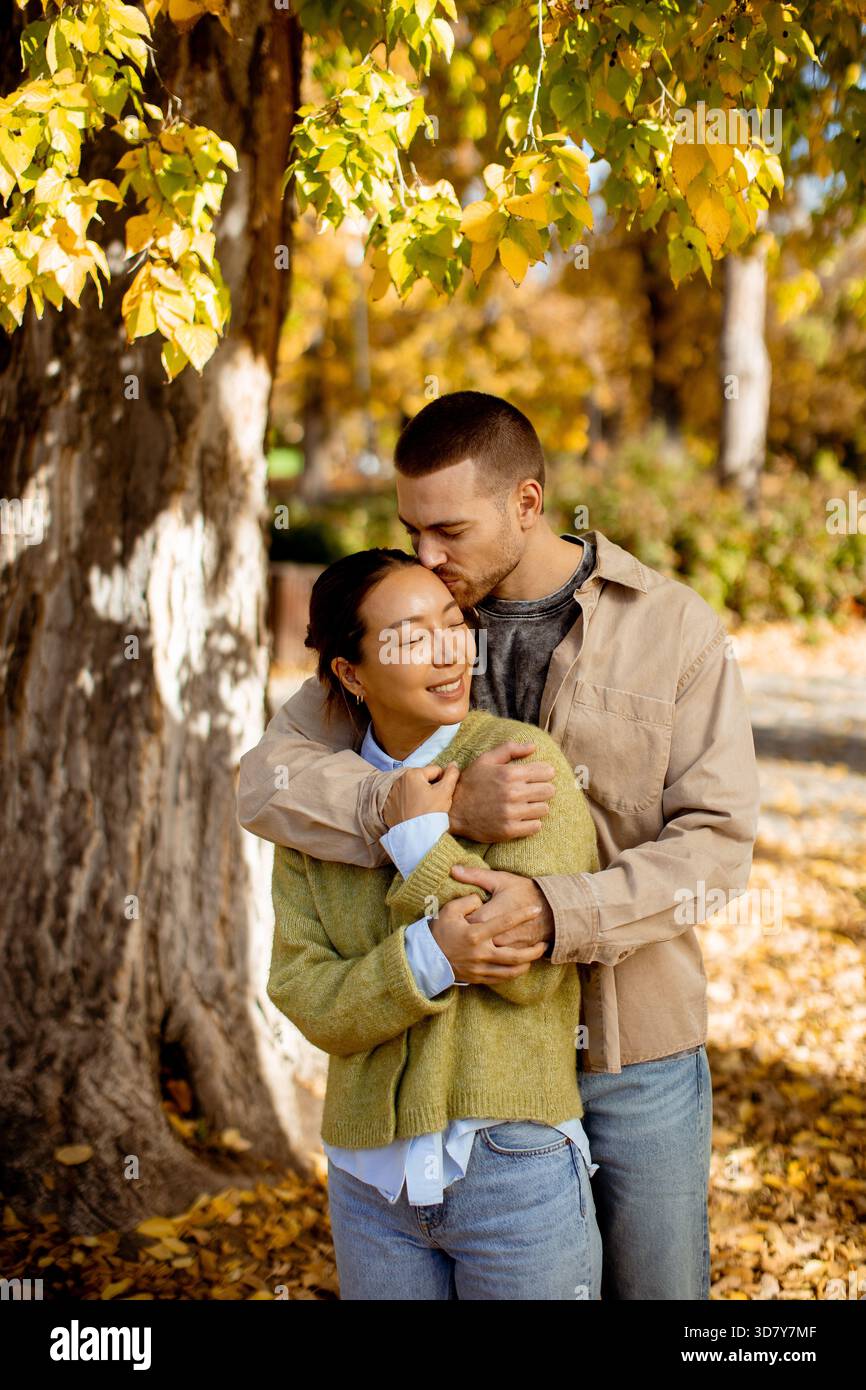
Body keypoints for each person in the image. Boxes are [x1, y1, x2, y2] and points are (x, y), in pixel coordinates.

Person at [240, 390, 761, 1300]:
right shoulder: (411, 622)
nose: (427, 558)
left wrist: (560, 914)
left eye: (447, 531)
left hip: (630, 1049)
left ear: (526, 503)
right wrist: (423, 809)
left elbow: (717, 848)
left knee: (662, 1295)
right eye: (410, 531)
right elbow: (265, 782)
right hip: (462, 1063)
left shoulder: (672, 628)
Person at [265, 548, 602, 1299]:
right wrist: (428, 955)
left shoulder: (523, 764)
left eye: (455, 625)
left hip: (516, 1164)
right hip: (368, 1183)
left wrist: (419, 838)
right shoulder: (319, 807)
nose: (451, 652)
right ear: (351, 673)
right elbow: (304, 991)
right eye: (412, 637)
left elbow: (527, 973)